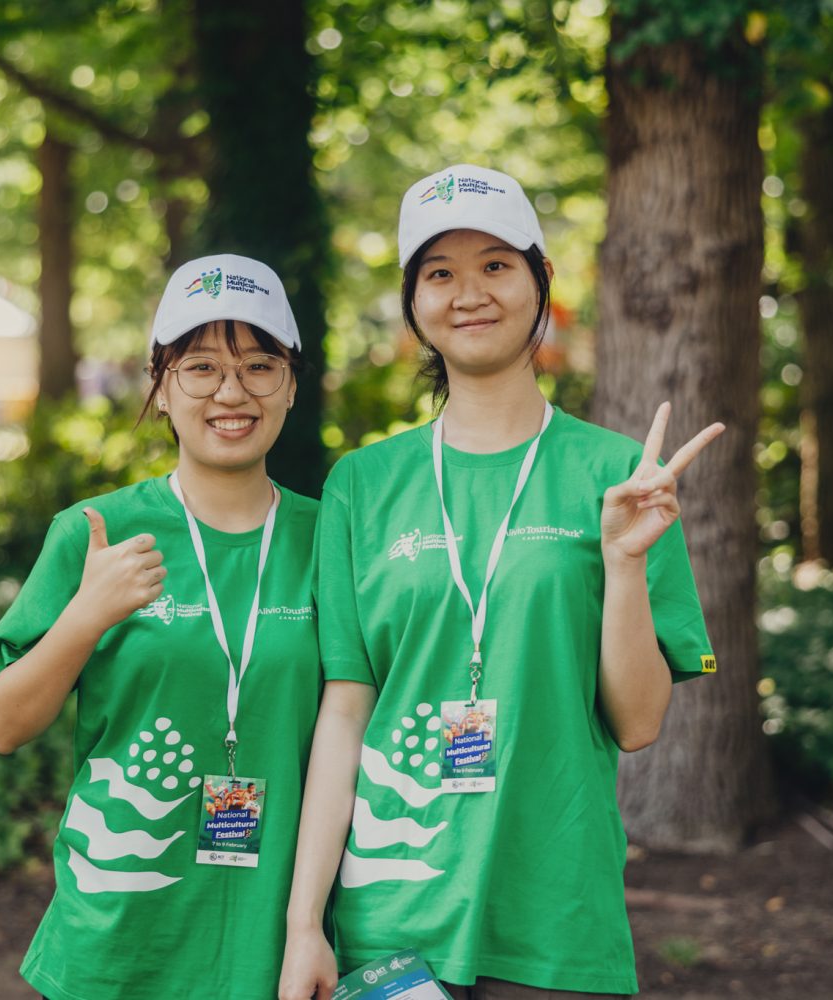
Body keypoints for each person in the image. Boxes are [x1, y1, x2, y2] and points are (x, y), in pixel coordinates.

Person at [279, 165, 724, 1000]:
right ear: (414, 304)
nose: (468, 293)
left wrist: (625, 563)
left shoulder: (619, 479)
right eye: (438, 273)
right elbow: (345, 711)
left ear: (540, 282)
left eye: (494, 264)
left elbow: (638, 723)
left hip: (554, 918)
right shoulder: (362, 486)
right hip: (389, 921)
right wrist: (306, 924)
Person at [0, 253, 321, 1000]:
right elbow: (3, 723)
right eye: (200, 367)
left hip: (276, 941)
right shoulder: (97, 531)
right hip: (121, 938)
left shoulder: (332, 541)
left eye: (259, 365)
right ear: (161, 386)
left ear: (291, 383)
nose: (232, 391)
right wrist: (86, 616)